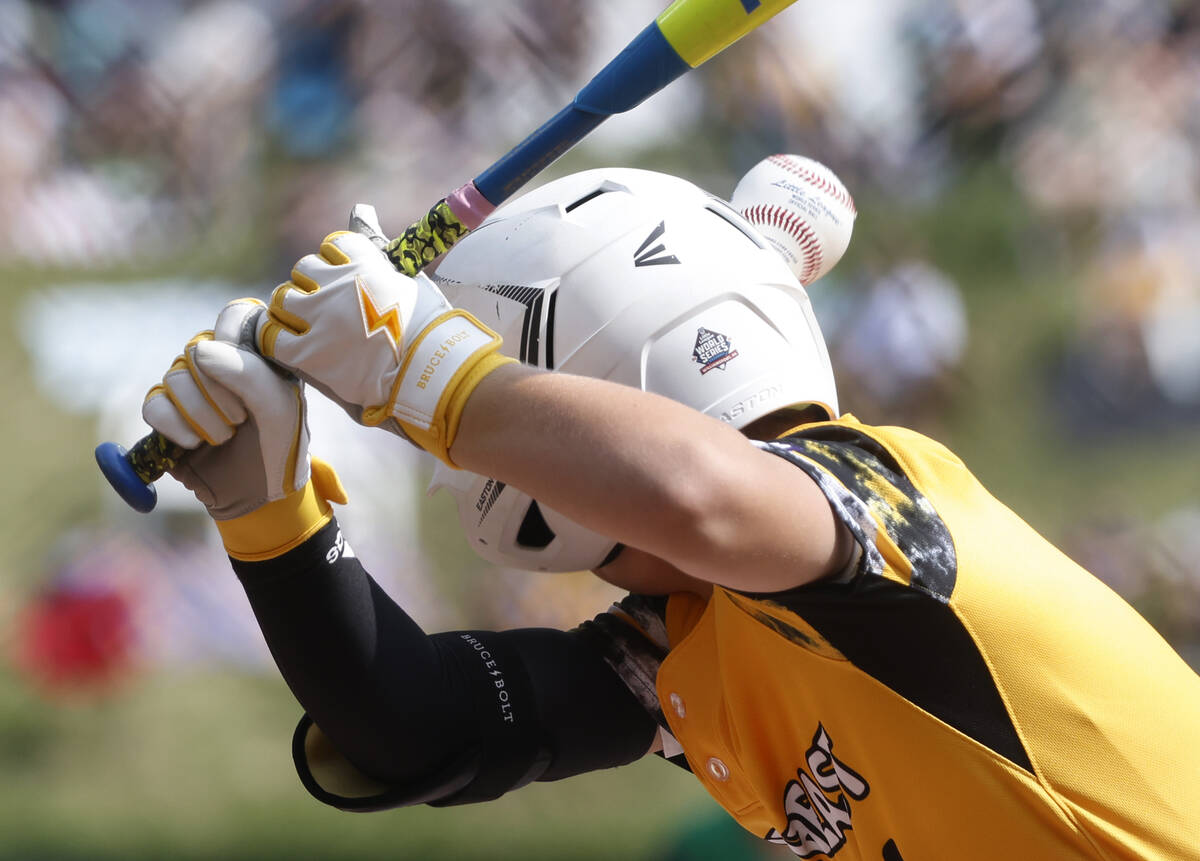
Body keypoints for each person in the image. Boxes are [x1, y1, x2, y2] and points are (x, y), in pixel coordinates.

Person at [139, 168, 1200, 860]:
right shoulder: (695, 640)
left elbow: (705, 495)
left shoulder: (884, 494)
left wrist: (432, 377)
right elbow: (412, 725)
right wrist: (269, 515)